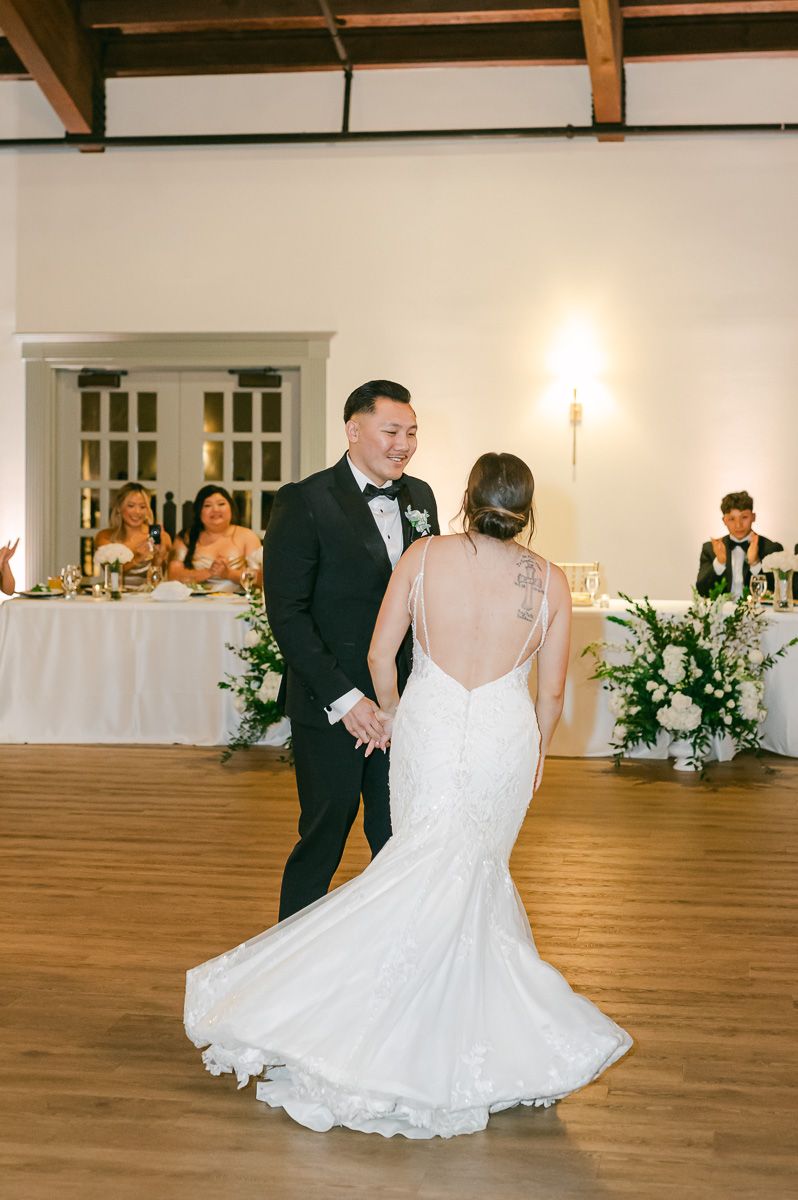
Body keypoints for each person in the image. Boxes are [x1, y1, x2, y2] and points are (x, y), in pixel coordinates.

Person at [185, 452, 632, 1139]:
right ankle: (447, 1029)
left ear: (466, 498)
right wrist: (538, 751)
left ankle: (386, 1016)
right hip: (502, 741)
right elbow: (550, 691)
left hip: (427, 724)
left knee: (419, 860)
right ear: (528, 508)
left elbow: (377, 652)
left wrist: (393, 709)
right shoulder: (547, 580)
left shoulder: (424, 555)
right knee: (471, 871)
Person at [261, 380, 440, 921]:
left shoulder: (421, 496)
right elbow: (287, 615)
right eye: (392, 431)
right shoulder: (305, 500)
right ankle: (288, 962)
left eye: (411, 433)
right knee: (324, 836)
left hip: (403, 706)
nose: (404, 444)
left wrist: (403, 699)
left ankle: (396, 961)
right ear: (354, 430)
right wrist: (349, 701)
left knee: (399, 836)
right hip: (331, 708)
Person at [169, 486, 261, 592]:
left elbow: (260, 578)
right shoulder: (186, 537)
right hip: (195, 603)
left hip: (239, 604)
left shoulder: (247, 536)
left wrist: (228, 574)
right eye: (207, 505)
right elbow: (173, 575)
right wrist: (209, 572)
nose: (215, 510)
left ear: (231, 507)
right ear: (199, 511)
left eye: (221, 504)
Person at [696, 490, 782, 598]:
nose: (738, 525)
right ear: (724, 520)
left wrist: (755, 563)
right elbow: (702, 591)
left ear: (753, 517)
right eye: (732, 519)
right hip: (722, 614)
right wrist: (720, 562)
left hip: (759, 614)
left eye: (744, 517)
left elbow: (778, 590)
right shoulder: (710, 548)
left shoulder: (771, 548)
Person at [95, 483, 172, 589]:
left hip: (146, 601)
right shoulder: (105, 536)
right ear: (119, 508)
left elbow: (159, 582)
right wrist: (137, 558)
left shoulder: (158, 536)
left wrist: (159, 559)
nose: (137, 512)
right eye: (131, 506)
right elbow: (112, 572)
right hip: (116, 599)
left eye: (142, 507)